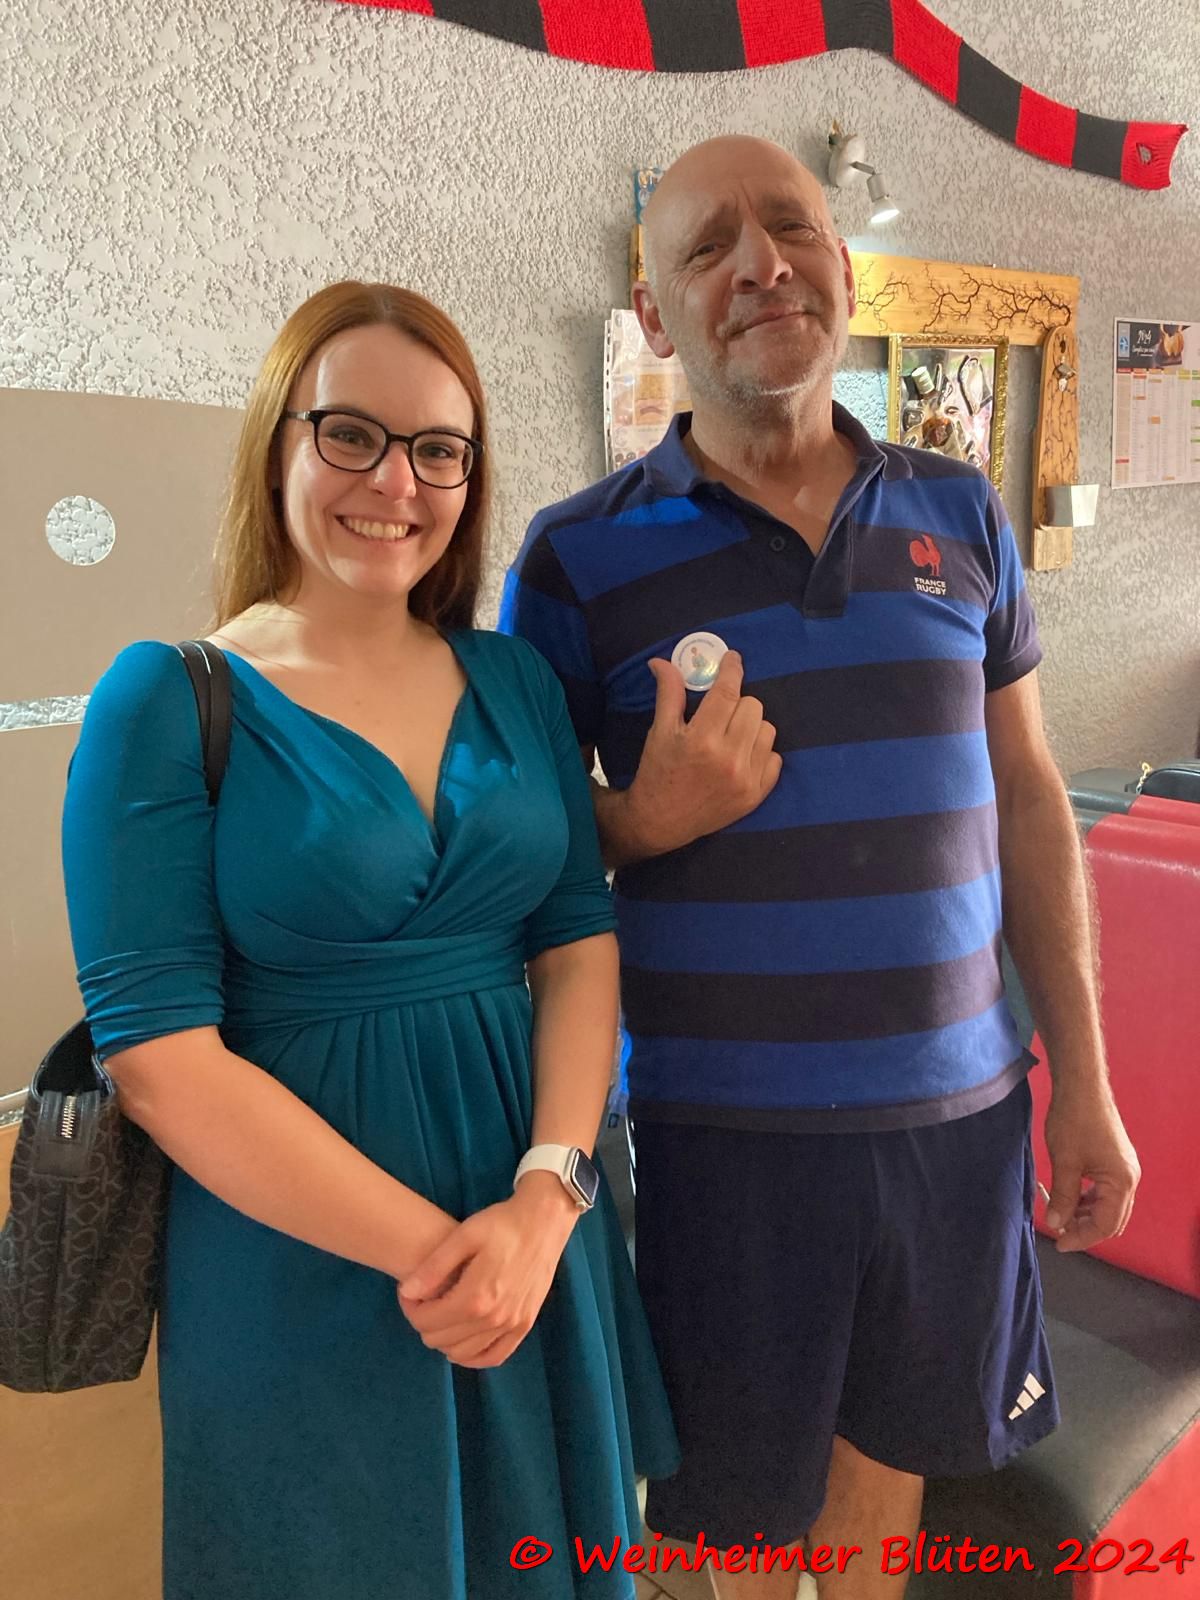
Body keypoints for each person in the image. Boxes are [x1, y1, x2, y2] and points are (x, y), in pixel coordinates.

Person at [502, 137, 1140, 1598]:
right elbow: (524, 855)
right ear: (657, 316)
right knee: (723, 1523)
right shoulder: (576, 558)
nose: (760, 265)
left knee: (885, 1489)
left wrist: (1086, 1085)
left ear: (844, 270)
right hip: (721, 1142)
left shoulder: (963, 513)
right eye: (708, 247)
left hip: (959, 1122)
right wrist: (641, 820)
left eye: (789, 228)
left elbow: (1029, 798)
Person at [61, 281, 678, 1600]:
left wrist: (545, 1201)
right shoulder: (166, 699)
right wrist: (443, 1256)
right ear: (278, 441)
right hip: (304, 1257)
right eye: (351, 434)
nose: (396, 481)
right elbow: (158, 1058)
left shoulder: (515, 680)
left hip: (533, 1222)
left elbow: (576, 940)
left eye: (438, 449)